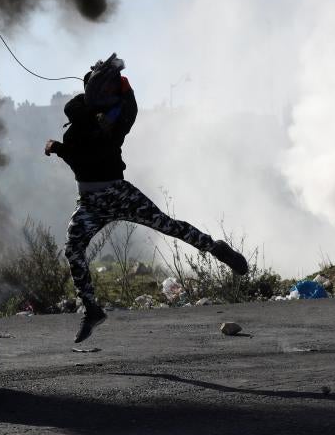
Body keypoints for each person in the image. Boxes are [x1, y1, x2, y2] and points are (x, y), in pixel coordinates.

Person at [45, 54, 248, 343]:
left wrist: (57, 147)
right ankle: (92, 310)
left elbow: (82, 154)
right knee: (73, 249)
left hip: (115, 194)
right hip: (91, 201)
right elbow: (79, 113)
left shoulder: (112, 122)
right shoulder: (88, 114)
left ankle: (215, 248)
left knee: (167, 225)